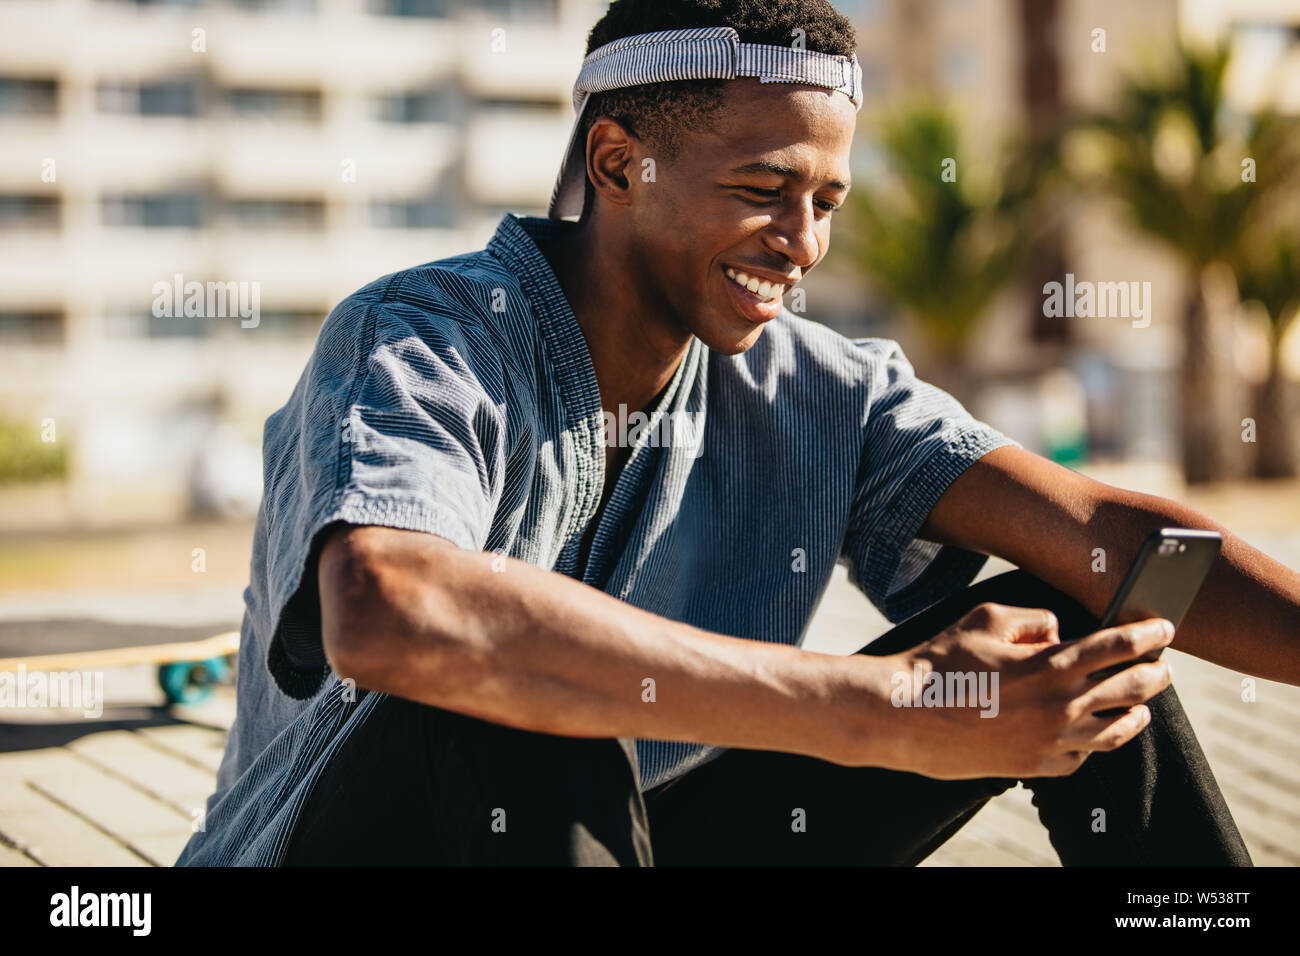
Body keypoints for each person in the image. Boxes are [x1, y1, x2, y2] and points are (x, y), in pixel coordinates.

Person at [178, 0, 1299, 867]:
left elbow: (1106, 529)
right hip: (361, 849)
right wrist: (880, 708)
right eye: (765, 187)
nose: (802, 242)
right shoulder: (426, 332)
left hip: (641, 837)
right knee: (521, 702)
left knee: (1082, 639)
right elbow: (388, 610)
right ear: (619, 163)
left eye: (828, 202)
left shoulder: (819, 388)